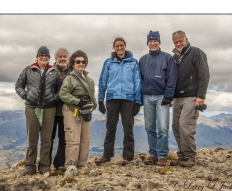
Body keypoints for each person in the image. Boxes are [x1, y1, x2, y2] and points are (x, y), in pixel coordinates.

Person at [15, 46, 62, 175]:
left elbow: (61, 89)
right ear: (37, 56)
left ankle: (44, 167)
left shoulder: (54, 72)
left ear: (49, 58)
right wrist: (25, 95)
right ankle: (29, 167)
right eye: (41, 55)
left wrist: (53, 98)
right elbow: (19, 85)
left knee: (46, 139)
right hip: (32, 108)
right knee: (32, 139)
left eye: (46, 56)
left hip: (49, 108)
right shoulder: (28, 70)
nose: (44, 57)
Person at [95, 37, 142, 166]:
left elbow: (138, 82)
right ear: (114, 48)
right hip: (112, 98)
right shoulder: (108, 62)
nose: (119, 48)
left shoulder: (133, 62)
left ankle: (127, 157)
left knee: (128, 128)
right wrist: (100, 100)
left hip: (128, 98)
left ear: (125, 46)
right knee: (110, 127)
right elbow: (102, 81)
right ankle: (107, 155)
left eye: (121, 45)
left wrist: (138, 101)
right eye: (117, 46)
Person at [170, 30, 210, 167]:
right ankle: (182, 156)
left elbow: (204, 74)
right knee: (176, 126)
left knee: (185, 125)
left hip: (192, 96)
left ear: (186, 39)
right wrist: (170, 96)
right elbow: (172, 78)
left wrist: (201, 96)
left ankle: (190, 157)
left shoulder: (196, 53)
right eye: (176, 42)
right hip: (177, 98)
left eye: (181, 41)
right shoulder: (174, 57)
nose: (179, 43)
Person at [139, 31, 177, 167]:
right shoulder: (143, 60)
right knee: (149, 127)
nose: (153, 43)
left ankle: (162, 155)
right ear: (147, 43)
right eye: (150, 41)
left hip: (162, 97)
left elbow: (172, 78)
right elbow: (139, 80)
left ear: (159, 42)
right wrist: (139, 97)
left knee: (162, 128)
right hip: (147, 97)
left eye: (155, 41)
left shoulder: (167, 58)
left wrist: (168, 95)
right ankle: (153, 154)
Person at [59, 50, 97, 171]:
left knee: (85, 140)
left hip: (85, 113)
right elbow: (63, 94)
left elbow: (92, 96)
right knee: (73, 140)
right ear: (73, 63)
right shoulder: (70, 78)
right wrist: (77, 101)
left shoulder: (89, 79)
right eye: (78, 61)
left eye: (83, 61)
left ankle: (82, 165)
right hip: (72, 111)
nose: (81, 63)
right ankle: (70, 166)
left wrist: (92, 106)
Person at [50, 47, 71, 172]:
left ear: (68, 58)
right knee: (49, 138)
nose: (62, 58)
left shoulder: (72, 72)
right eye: (60, 57)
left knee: (64, 139)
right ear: (56, 59)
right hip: (51, 110)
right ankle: (45, 164)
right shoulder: (50, 71)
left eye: (64, 56)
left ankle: (60, 164)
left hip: (65, 111)